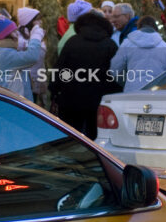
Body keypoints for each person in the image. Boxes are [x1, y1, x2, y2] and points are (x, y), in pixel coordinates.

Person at [51, 11, 119, 139]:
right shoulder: (109, 44)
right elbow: (115, 73)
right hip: (99, 99)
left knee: (71, 136)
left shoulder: (72, 42)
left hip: (71, 98)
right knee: (96, 136)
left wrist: (54, 91)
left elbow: (60, 69)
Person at [110, 16, 166, 92]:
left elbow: (115, 69)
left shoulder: (127, 44)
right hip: (156, 91)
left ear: (138, 26)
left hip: (132, 91)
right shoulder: (164, 46)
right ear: (155, 28)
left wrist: (127, 82)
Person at [0, 16, 43, 99]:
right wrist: (36, 36)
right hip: (14, 104)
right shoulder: (5, 53)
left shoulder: (3, 50)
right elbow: (32, 56)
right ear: (6, 35)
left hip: (15, 101)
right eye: (14, 31)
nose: (18, 34)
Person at [16, 6, 46, 103]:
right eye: (37, 20)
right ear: (30, 21)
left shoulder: (31, 34)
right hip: (25, 83)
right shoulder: (20, 39)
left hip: (35, 80)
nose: (40, 22)